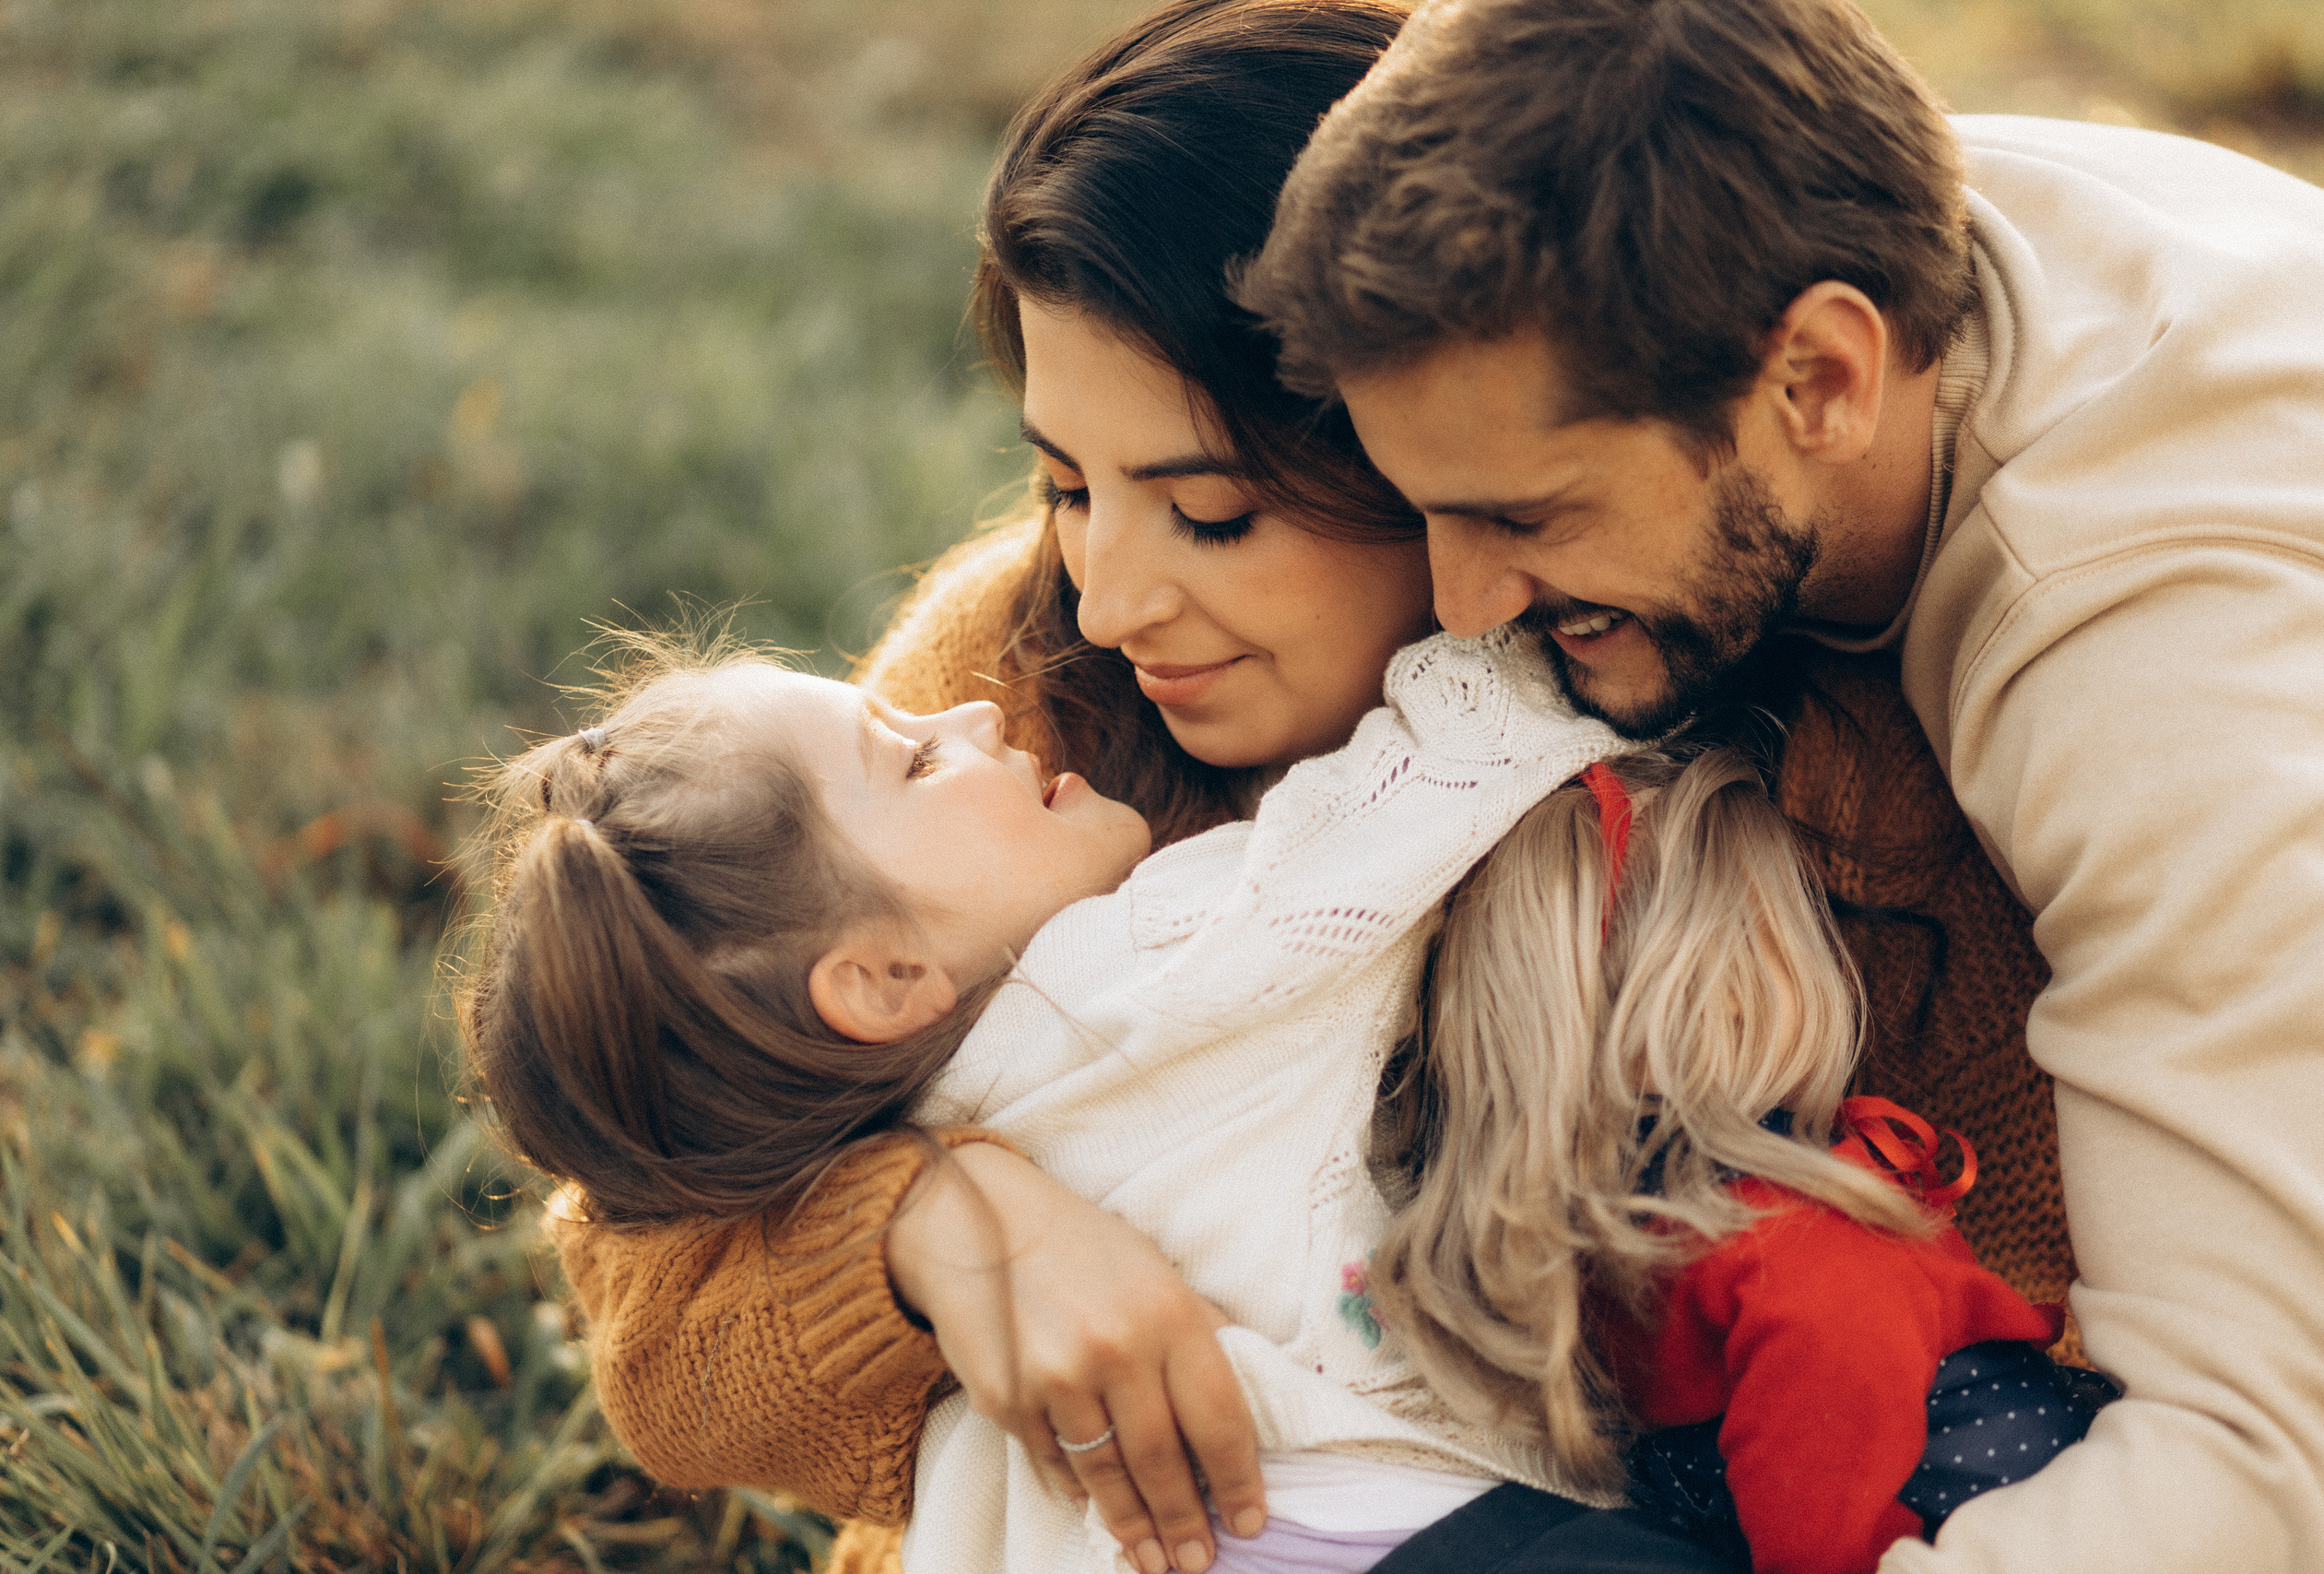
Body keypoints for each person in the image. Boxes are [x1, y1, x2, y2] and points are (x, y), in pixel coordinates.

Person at [544, 4, 2082, 1572]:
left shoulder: (1832, 762)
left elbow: (2093, 1332)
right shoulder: (1033, 694)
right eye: (1069, 486)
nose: (1108, 598)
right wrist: (938, 1223)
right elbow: (658, 1313)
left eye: (1210, 513)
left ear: (1428, 437)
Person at [1233, 0, 2324, 1568]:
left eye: (1526, 514)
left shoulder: (2166, 669)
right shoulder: (1818, 249)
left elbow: (2261, 1473)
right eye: (1425, 509)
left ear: (1820, 376)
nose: (1460, 600)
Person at [462, 628, 1692, 1572]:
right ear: (884, 977)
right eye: (916, 754)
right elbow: (1404, 807)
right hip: (1354, 1519)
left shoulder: (863, 1115)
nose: (977, 704)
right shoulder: (1134, 963)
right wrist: (1505, 648)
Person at [1378, 750, 2112, 1574]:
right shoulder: (1788, 1245)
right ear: (1727, 991)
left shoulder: (1702, 1243)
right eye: (1803, 939)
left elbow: (1809, 1488)